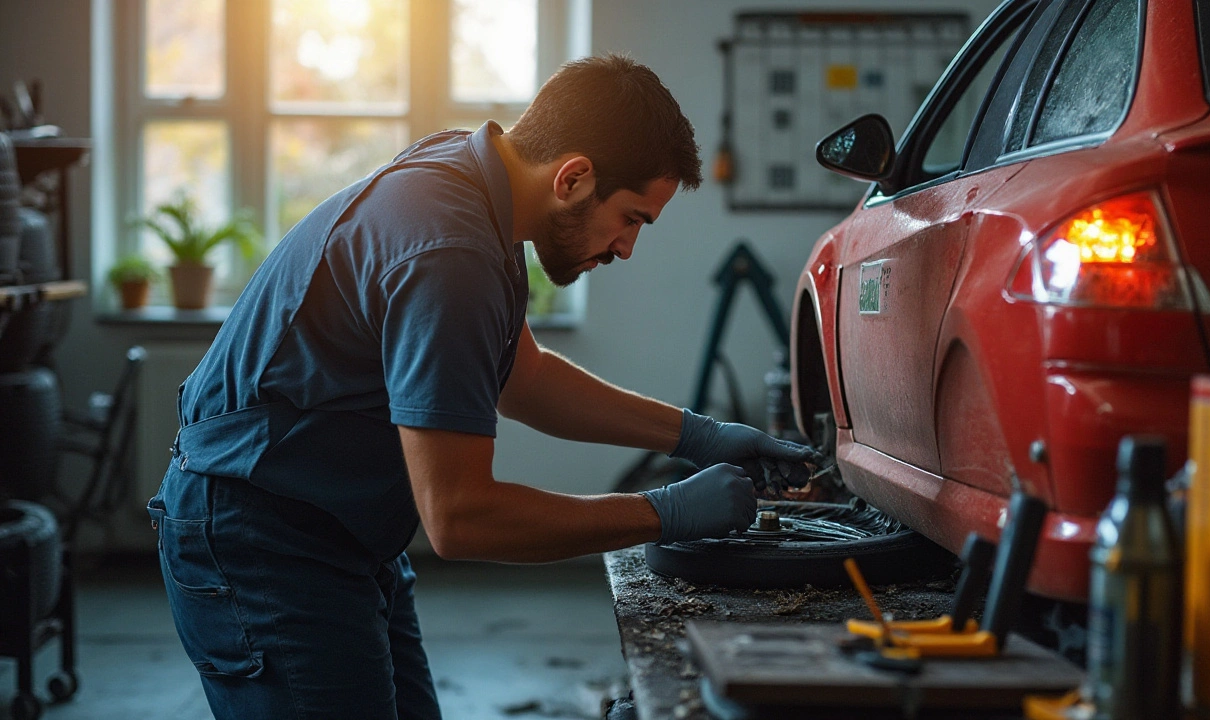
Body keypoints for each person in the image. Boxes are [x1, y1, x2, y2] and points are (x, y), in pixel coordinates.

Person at [146, 54, 819, 720]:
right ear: (574, 178)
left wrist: (699, 435)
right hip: (258, 541)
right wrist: (664, 511)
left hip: (335, 529)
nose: (626, 248)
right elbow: (461, 517)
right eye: (632, 218)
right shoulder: (451, 252)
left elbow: (522, 377)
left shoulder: (469, 180)